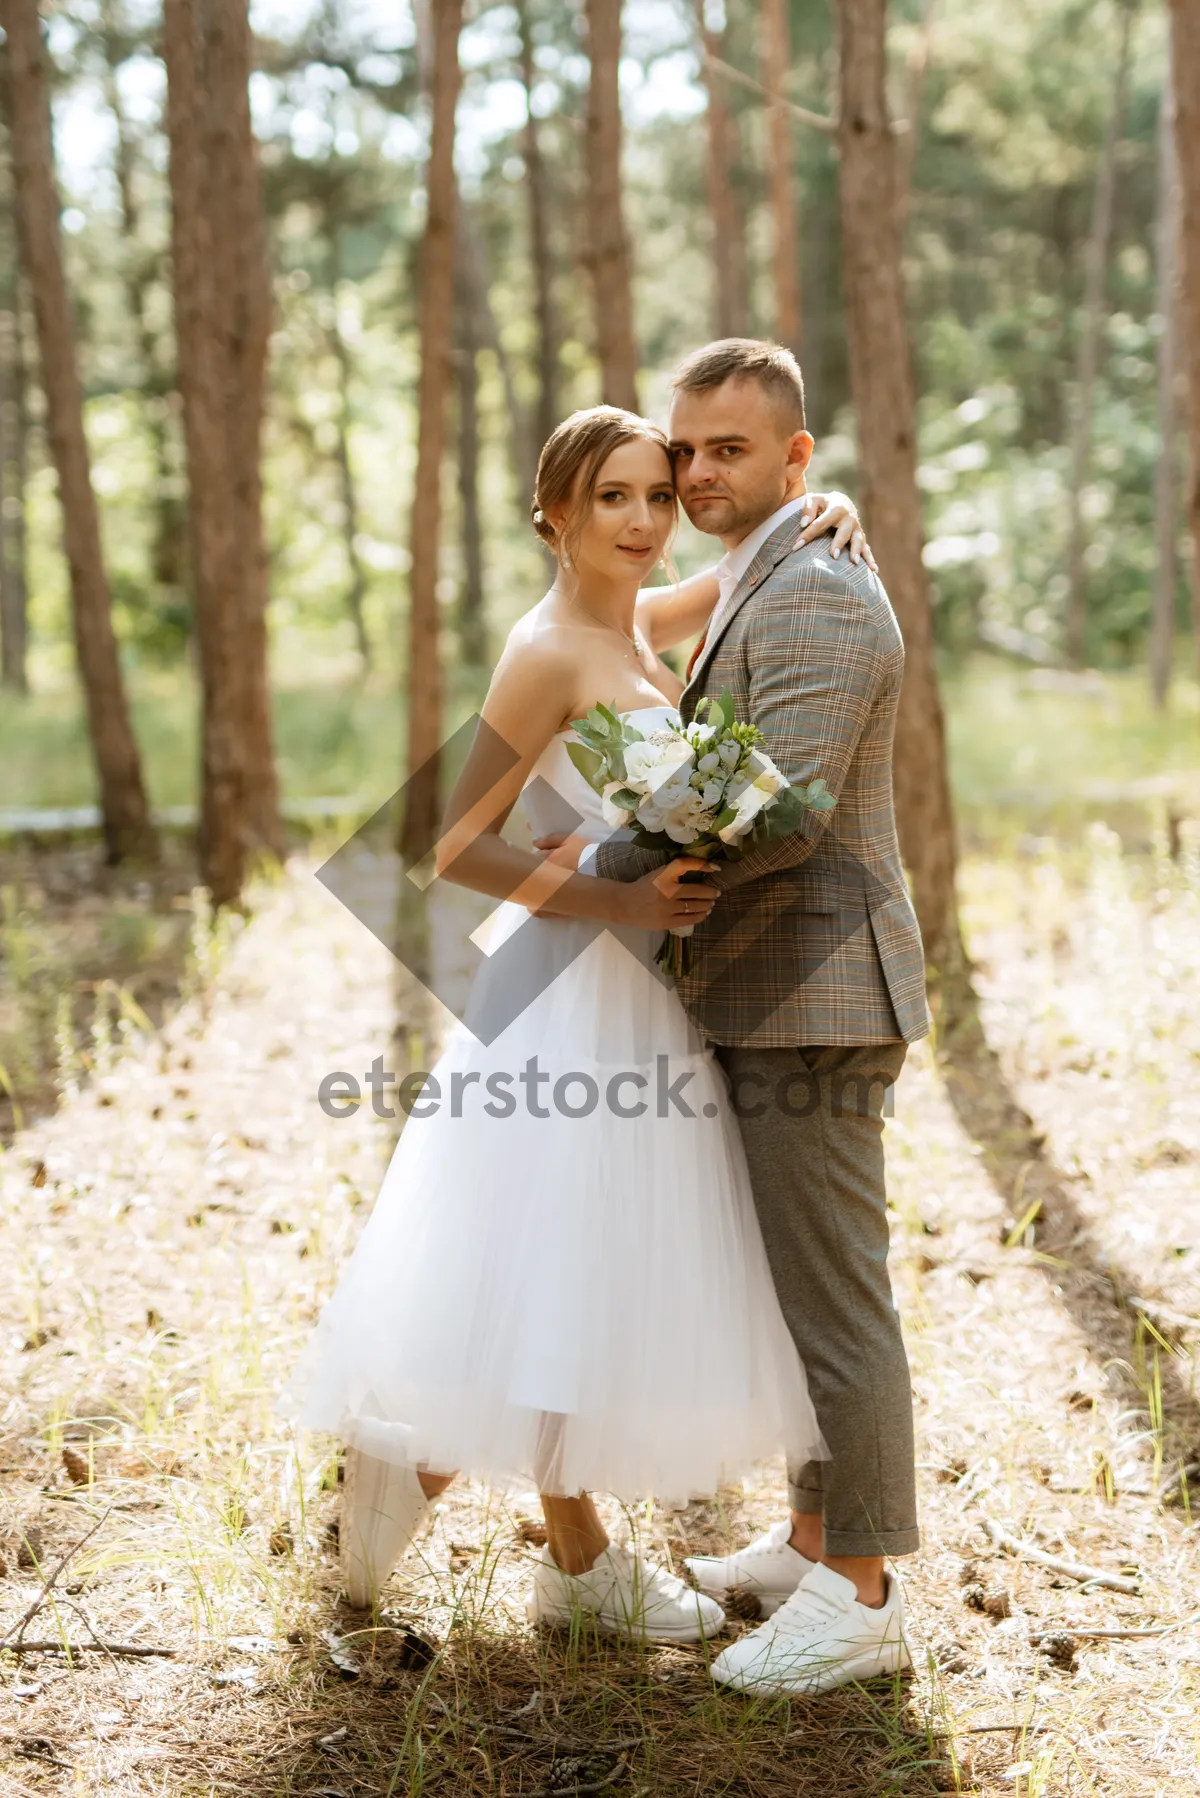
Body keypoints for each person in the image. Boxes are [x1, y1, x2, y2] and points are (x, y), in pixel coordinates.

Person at [281, 399, 870, 1651]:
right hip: (565, 988)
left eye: (659, 493)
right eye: (614, 497)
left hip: (643, 985)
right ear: (555, 511)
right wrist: (621, 893)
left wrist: (827, 513)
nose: (646, 519)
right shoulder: (550, 646)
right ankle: (515, 1535)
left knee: (586, 1262)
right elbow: (451, 847)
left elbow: (728, 577)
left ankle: (558, 1547)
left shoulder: (636, 620)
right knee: (546, 1253)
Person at [556, 340, 929, 1694]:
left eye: (728, 448)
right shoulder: (765, 571)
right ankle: (815, 1536)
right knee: (792, 1293)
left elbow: (786, 807)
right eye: (686, 446)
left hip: (817, 994)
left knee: (834, 1301)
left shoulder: (819, 589)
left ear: (797, 457)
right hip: (765, 988)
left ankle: (866, 1586)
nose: (699, 470)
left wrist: (610, 869)